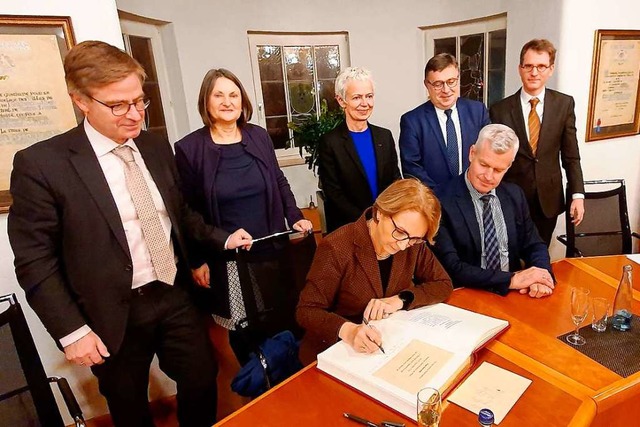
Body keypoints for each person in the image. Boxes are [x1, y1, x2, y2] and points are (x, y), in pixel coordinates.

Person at [7, 41, 235, 427]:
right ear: (81, 101)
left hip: (173, 291)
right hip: (108, 309)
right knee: (128, 402)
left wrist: (214, 243)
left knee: (201, 377)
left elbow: (176, 215)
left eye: (140, 101)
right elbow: (34, 261)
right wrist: (72, 331)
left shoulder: (155, 145)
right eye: (118, 105)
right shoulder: (42, 165)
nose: (135, 115)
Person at [174, 68, 312, 364]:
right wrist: (200, 258)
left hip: (271, 248)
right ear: (206, 103)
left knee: (282, 319)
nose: (227, 102)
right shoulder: (189, 149)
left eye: (233, 94)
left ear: (243, 101)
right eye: (219, 95)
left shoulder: (258, 136)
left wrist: (294, 215)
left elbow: (278, 180)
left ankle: (284, 379)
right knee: (247, 329)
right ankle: (258, 383)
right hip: (230, 259)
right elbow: (187, 212)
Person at [296, 179, 453, 357]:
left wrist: (401, 299)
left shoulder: (414, 244)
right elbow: (307, 310)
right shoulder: (337, 247)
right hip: (336, 350)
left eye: (414, 238)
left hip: (388, 344)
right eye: (400, 232)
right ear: (379, 213)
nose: (403, 246)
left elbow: (443, 284)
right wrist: (348, 331)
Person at [432, 124, 554, 298]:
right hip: (467, 295)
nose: (489, 176)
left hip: (513, 296)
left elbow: (534, 244)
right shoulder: (440, 199)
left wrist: (540, 276)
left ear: (509, 166)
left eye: (498, 170)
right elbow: (452, 267)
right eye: (484, 165)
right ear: (472, 153)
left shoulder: (514, 195)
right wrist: (511, 279)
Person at [490, 39, 585, 245]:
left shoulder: (564, 104)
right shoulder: (500, 110)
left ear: (550, 69)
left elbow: (571, 156)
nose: (534, 72)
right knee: (511, 257)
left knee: (540, 255)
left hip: (548, 200)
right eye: (529, 66)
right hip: (511, 199)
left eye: (541, 66)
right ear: (520, 69)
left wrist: (577, 194)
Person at [318, 67, 401, 232]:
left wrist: (387, 216)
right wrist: (367, 222)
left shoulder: (384, 136)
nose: (365, 104)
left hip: (386, 225)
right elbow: (334, 193)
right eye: (356, 97)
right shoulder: (330, 142)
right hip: (350, 228)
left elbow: (395, 180)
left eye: (369, 96)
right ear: (341, 101)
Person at [399, 53, 490, 192]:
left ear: (458, 78)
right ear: (427, 85)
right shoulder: (412, 121)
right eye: (438, 84)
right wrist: (442, 197)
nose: (446, 90)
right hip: (434, 201)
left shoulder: (478, 111)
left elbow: (489, 153)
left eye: (451, 81)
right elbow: (412, 169)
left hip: (475, 195)